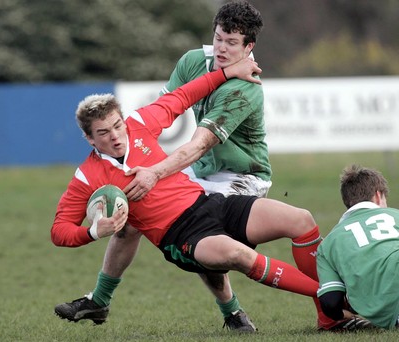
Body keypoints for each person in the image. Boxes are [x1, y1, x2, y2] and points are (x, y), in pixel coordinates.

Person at [51, 59, 334, 332]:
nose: (115, 136)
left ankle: (329, 313)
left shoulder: (139, 123)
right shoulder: (88, 177)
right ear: (89, 139)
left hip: (210, 203)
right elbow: (59, 231)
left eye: (117, 125)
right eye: (103, 133)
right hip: (180, 236)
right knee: (237, 255)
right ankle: (334, 298)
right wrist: (93, 232)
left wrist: (230, 71)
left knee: (300, 219)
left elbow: (184, 95)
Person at [55, 1, 272, 332]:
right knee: (129, 217)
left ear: (249, 46)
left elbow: (200, 144)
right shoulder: (191, 62)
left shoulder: (248, 84)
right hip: (197, 170)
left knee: (198, 235)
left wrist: (157, 169)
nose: (222, 47)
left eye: (232, 42)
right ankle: (99, 302)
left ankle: (233, 313)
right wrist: (143, 145)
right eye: (219, 38)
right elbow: (171, 105)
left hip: (242, 177)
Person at [317, 165, 399, 330]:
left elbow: (330, 303)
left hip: (387, 317)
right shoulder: (394, 214)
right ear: (378, 196)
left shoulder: (328, 244)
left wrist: (356, 317)